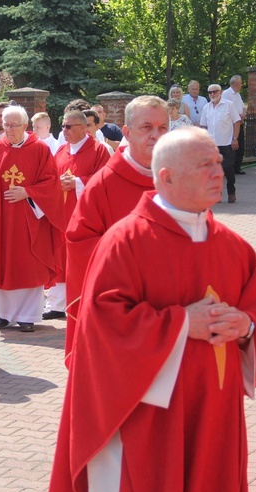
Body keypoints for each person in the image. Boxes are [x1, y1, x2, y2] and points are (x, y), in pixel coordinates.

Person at [49, 126, 256, 492]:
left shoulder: (237, 250)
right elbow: (102, 327)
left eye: (219, 162)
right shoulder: (125, 242)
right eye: (205, 165)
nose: (219, 172)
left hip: (215, 414)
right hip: (147, 418)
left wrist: (246, 326)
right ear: (166, 177)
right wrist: (184, 323)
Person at [64, 95, 169, 358]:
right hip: (119, 306)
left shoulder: (177, 181)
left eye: (163, 128)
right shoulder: (104, 184)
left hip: (171, 308)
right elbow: (79, 242)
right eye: (146, 127)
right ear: (127, 132)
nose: (155, 135)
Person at [0, 105, 65, 333]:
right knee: (1, 262)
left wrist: (28, 192)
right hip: (1, 217)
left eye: (13, 125)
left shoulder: (39, 149)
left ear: (25, 127)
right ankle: (5, 314)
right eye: (5, 124)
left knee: (29, 264)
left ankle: (28, 316)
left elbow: (51, 182)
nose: (8, 129)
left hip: (29, 218)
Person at [44, 110, 110, 321]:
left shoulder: (99, 150)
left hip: (84, 215)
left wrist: (78, 183)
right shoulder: (62, 150)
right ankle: (56, 303)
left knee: (79, 258)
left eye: (69, 127)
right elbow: (51, 177)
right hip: (61, 213)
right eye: (63, 126)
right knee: (59, 256)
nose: (64, 130)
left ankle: (82, 300)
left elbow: (106, 180)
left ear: (83, 128)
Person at [200, 83, 241, 203]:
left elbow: (237, 122)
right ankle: (217, 194)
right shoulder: (206, 107)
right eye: (210, 92)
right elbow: (203, 126)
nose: (213, 94)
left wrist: (235, 138)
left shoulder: (229, 105)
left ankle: (231, 191)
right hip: (212, 145)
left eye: (215, 91)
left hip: (227, 143)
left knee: (228, 168)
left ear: (220, 92)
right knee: (213, 171)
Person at [222, 75, 246, 174]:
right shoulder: (226, 94)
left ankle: (237, 166)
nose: (241, 85)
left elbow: (242, 106)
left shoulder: (238, 95)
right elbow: (225, 109)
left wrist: (244, 113)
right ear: (234, 84)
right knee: (232, 145)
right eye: (240, 83)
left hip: (240, 121)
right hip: (232, 123)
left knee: (241, 145)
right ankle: (230, 167)